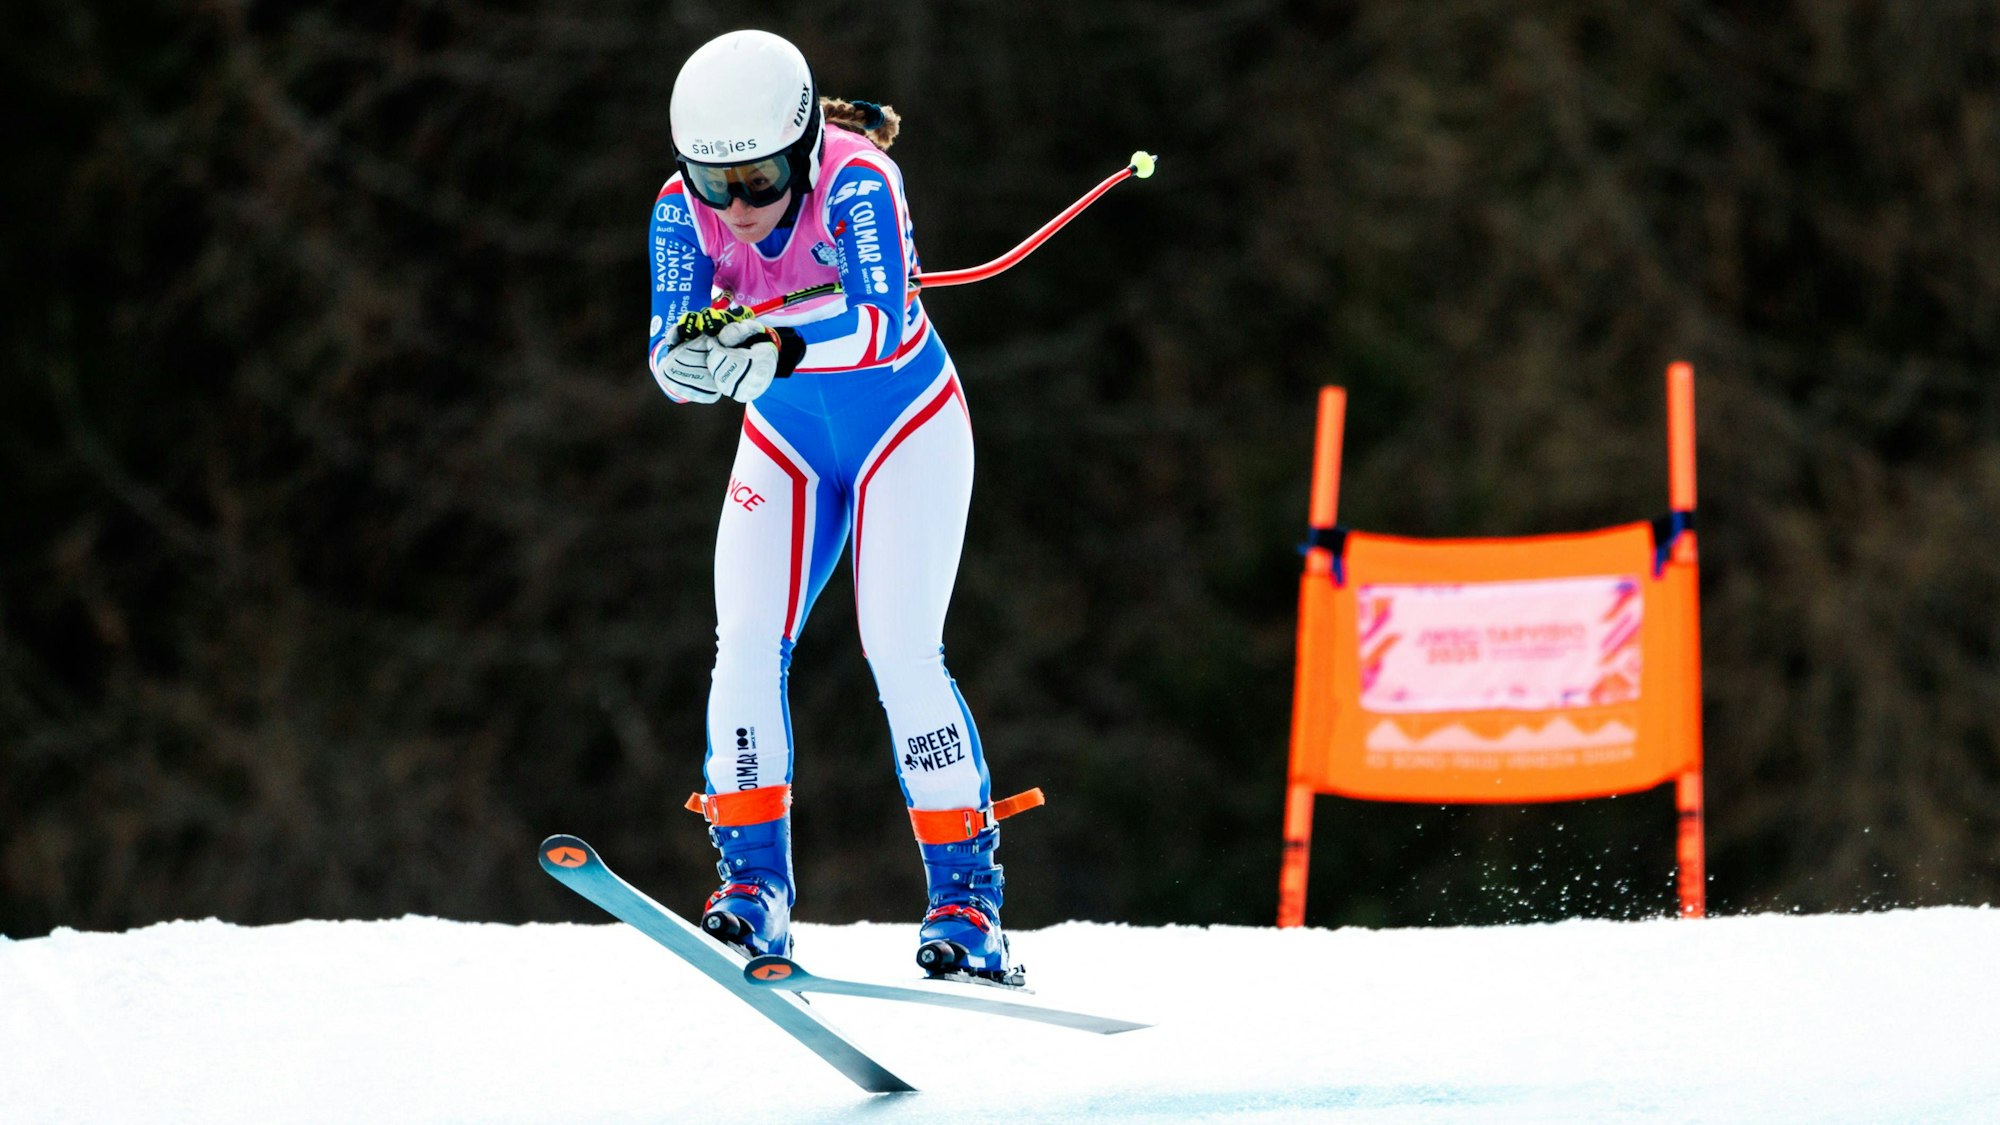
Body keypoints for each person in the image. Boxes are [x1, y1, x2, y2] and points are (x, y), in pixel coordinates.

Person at [649, 29, 1040, 984]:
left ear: (805, 147)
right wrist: (689, 364)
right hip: (786, 439)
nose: (737, 209)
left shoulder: (860, 181)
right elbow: (668, 348)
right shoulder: (678, 210)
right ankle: (754, 887)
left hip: (905, 425)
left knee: (899, 648)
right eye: (714, 184)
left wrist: (771, 347)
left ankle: (969, 903)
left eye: (761, 180)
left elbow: (881, 323)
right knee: (744, 641)